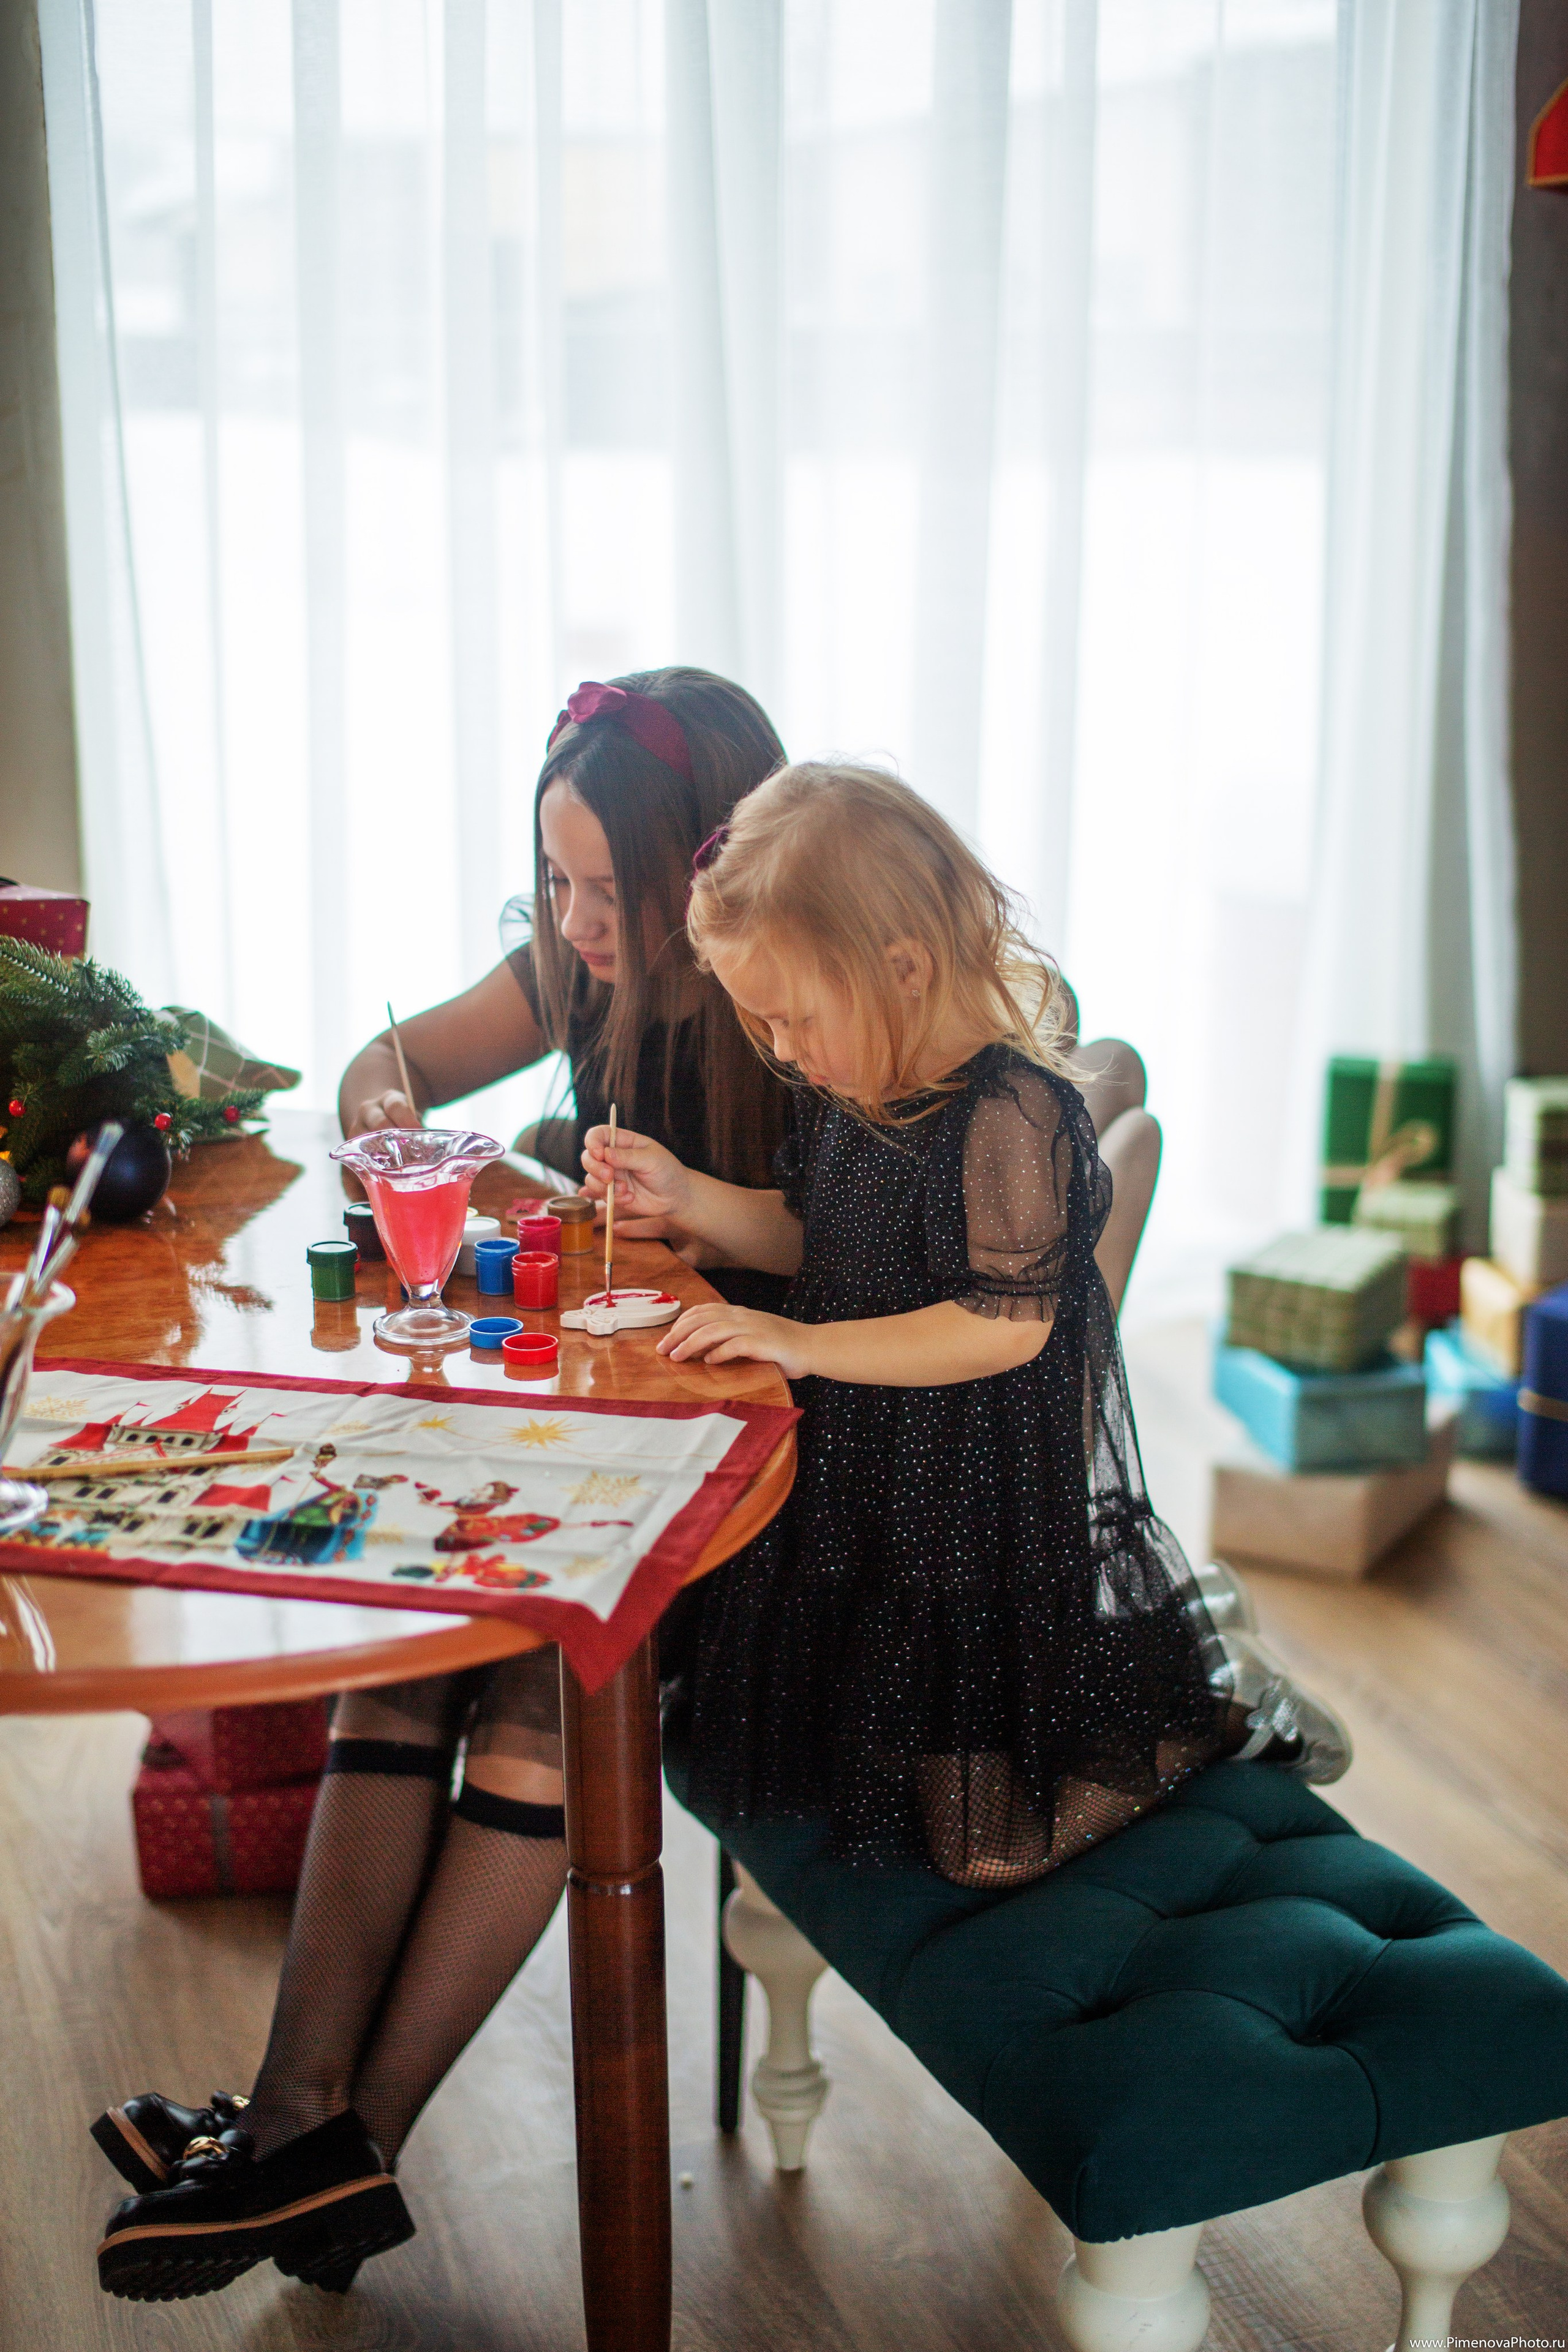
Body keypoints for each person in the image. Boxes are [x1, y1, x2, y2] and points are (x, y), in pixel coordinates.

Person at [90, 668, 802, 2305]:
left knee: (538, 1673)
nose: (577, 921)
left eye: (610, 893)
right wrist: (418, 1134)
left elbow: (845, 1267)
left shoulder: (787, 1001)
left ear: (715, 870)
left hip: (756, 1488)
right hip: (598, 1437)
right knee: (425, 1635)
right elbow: (379, 1069)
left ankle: (330, 2143)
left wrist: (673, 1217)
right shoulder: (571, 962)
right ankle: (297, 2133)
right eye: (555, 882)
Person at [583, 762, 1349, 1888]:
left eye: (794, 1016)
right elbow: (823, 1235)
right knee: (865, 1766)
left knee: (984, 1844)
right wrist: (690, 1198)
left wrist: (800, 1343)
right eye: (767, 1023)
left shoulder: (1012, 1112)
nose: (785, 1049)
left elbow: (1003, 1327)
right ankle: (1169, 1659)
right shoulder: (860, 1082)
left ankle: (1222, 1706)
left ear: (902, 968)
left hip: (971, 1510)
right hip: (873, 1478)